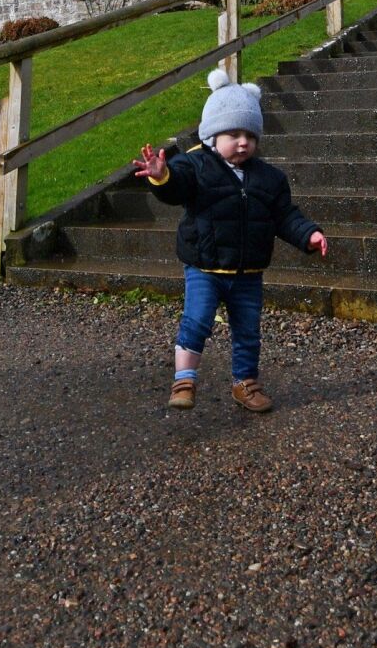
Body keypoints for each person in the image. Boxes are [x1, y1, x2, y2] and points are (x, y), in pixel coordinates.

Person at [133, 67, 328, 413]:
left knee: (248, 331)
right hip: (205, 266)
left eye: (250, 136)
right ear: (211, 136)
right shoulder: (196, 166)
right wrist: (161, 176)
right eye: (233, 134)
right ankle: (185, 379)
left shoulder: (269, 178)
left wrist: (309, 234)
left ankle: (245, 383)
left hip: (248, 271)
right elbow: (177, 187)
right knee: (196, 321)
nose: (243, 142)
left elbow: (285, 215)